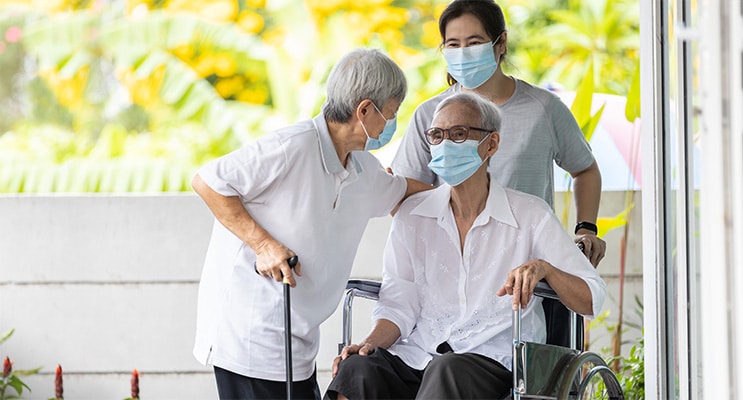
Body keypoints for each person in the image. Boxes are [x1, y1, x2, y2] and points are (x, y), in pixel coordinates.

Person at [324, 92, 605, 400]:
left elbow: (592, 298)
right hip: (420, 355)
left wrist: (545, 269)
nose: (445, 144)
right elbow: (398, 302)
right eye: (436, 135)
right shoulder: (412, 215)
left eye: (458, 134)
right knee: (357, 371)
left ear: (491, 144)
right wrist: (368, 345)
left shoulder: (530, 215)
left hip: (494, 363)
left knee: (447, 370)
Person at [191, 48, 431, 400]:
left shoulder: (364, 169)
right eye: (392, 113)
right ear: (365, 110)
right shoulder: (293, 146)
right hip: (248, 338)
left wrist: (475, 195)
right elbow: (209, 182)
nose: (391, 125)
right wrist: (263, 245)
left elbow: (406, 191)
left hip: (299, 346)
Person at [392, 0, 606, 266]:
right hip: (454, 264)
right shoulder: (430, 115)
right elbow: (404, 194)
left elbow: (585, 169)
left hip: (527, 264)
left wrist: (586, 228)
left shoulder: (544, 109)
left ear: (500, 42)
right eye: (453, 44)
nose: (463, 53)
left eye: (474, 43)